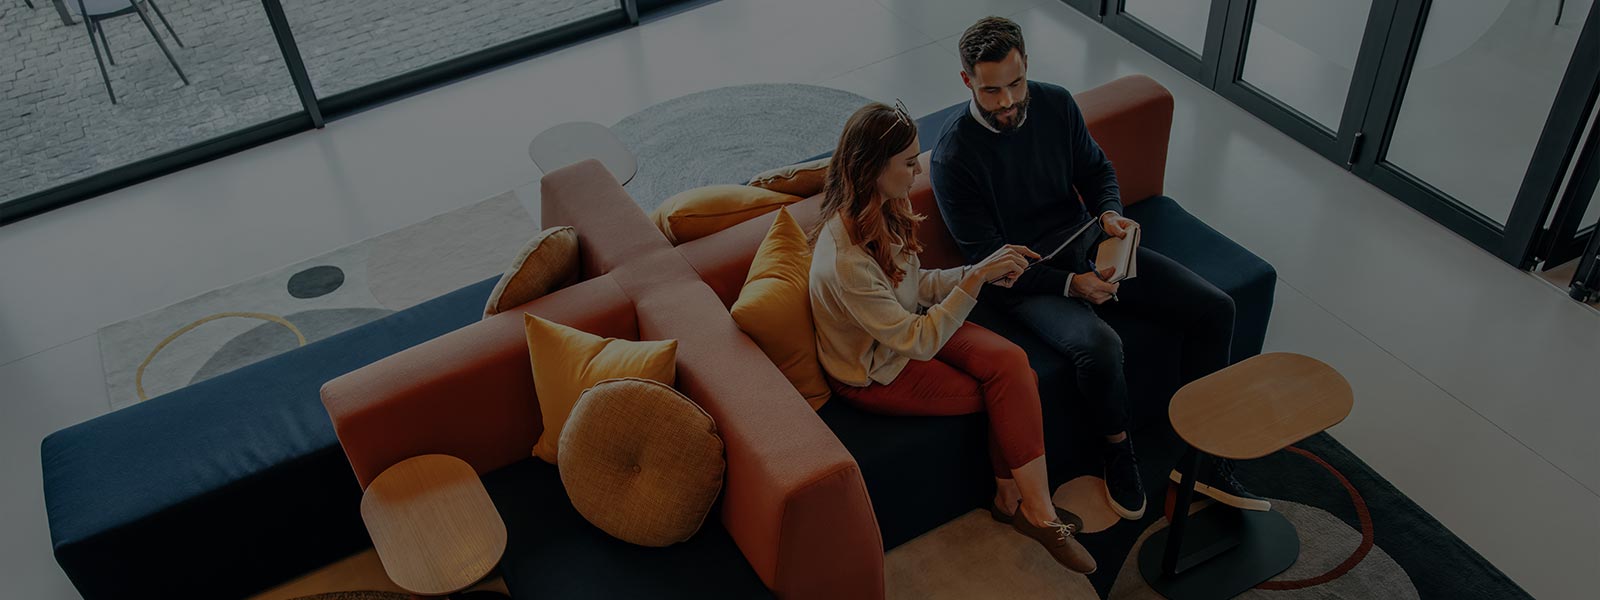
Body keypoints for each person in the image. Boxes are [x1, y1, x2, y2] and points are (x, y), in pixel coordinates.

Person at [931, 16, 1267, 520]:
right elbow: (990, 261)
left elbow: (1095, 168)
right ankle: (1117, 451)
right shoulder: (954, 156)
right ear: (967, 82)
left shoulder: (1056, 103)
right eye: (991, 90)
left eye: (1015, 84)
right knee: (1100, 347)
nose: (1007, 102)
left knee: (1215, 308)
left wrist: (1109, 211)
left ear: (1027, 67)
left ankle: (1204, 456)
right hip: (1022, 281)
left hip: (1088, 245)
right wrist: (1071, 285)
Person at [809, 101, 1096, 574]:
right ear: (873, 168)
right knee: (1003, 391)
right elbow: (917, 342)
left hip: (910, 325)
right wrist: (973, 283)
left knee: (1012, 364)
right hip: (874, 371)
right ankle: (1038, 514)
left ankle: (1013, 502)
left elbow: (915, 286)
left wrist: (978, 270)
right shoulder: (846, 263)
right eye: (907, 162)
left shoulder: (884, 206)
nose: (917, 169)